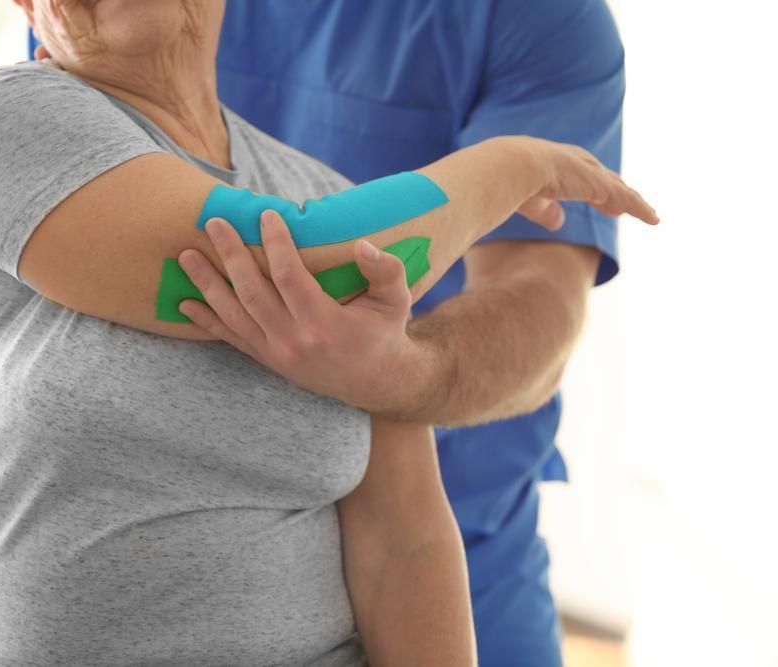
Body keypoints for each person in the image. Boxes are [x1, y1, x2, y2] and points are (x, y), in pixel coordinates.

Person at [0, 1, 654, 665]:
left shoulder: (325, 191)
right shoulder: (0, 124)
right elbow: (314, 262)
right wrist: (510, 165)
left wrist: (397, 374)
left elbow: (405, 542)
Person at [183, 2, 629, 665]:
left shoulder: (539, 17)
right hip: (204, 537)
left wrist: (397, 373)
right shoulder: (113, 19)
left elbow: (539, 304)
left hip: (462, 534)